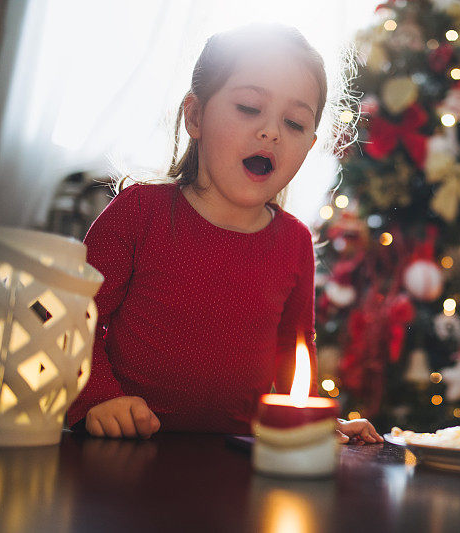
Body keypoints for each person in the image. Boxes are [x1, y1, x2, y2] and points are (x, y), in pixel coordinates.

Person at [66, 24, 382, 445]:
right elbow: (71, 321)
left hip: (235, 467)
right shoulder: (138, 213)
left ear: (310, 145)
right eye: (249, 107)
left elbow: (296, 363)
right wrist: (98, 399)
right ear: (195, 116)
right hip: (124, 451)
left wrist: (315, 425)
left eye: (293, 122)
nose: (271, 131)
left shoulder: (293, 243)